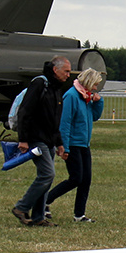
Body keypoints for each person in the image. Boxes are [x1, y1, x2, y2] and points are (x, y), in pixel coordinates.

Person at [10, 57, 71, 226]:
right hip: (36, 139)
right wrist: (23, 139)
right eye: (66, 71)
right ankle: (21, 207)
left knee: (47, 177)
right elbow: (25, 112)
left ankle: (38, 218)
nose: (68, 75)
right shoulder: (39, 84)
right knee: (47, 174)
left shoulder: (56, 88)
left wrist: (59, 143)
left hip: (49, 140)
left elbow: (54, 120)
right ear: (55, 70)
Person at [46, 68, 105, 223]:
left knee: (86, 180)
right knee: (76, 178)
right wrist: (64, 146)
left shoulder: (86, 97)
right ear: (89, 82)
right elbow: (64, 123)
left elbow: (94, 117)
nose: (95, 88)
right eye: (95, 85)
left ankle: (79, 215)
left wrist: (99, 102)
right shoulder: (72, 96)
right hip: (72, 143)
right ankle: (45, 200)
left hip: (84, 144)